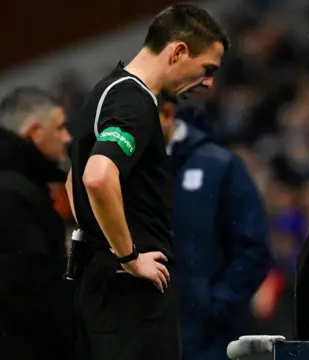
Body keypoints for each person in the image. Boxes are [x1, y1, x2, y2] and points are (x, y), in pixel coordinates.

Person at [65, 4, 229, 360]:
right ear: (179, 51)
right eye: (207, 69)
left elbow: (72, 180)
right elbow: (97, 176)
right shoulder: (135, 102)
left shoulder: (105, 89)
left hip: (102, 288)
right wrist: (128, 256)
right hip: (131, 296)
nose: (209, 82)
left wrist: (100, 241)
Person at [159, 98, 271, 360]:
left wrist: (214, 303)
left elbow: (253, 247)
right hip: (151, 334)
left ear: (166, 114)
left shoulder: (220, 165)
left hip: (213, 339)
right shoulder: (130, 170)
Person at [0, 87, 73, 359]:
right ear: (35, 132)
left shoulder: (20, 184)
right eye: (60, 127)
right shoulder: (13, 193)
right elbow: (28, 291)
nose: (67, 137)